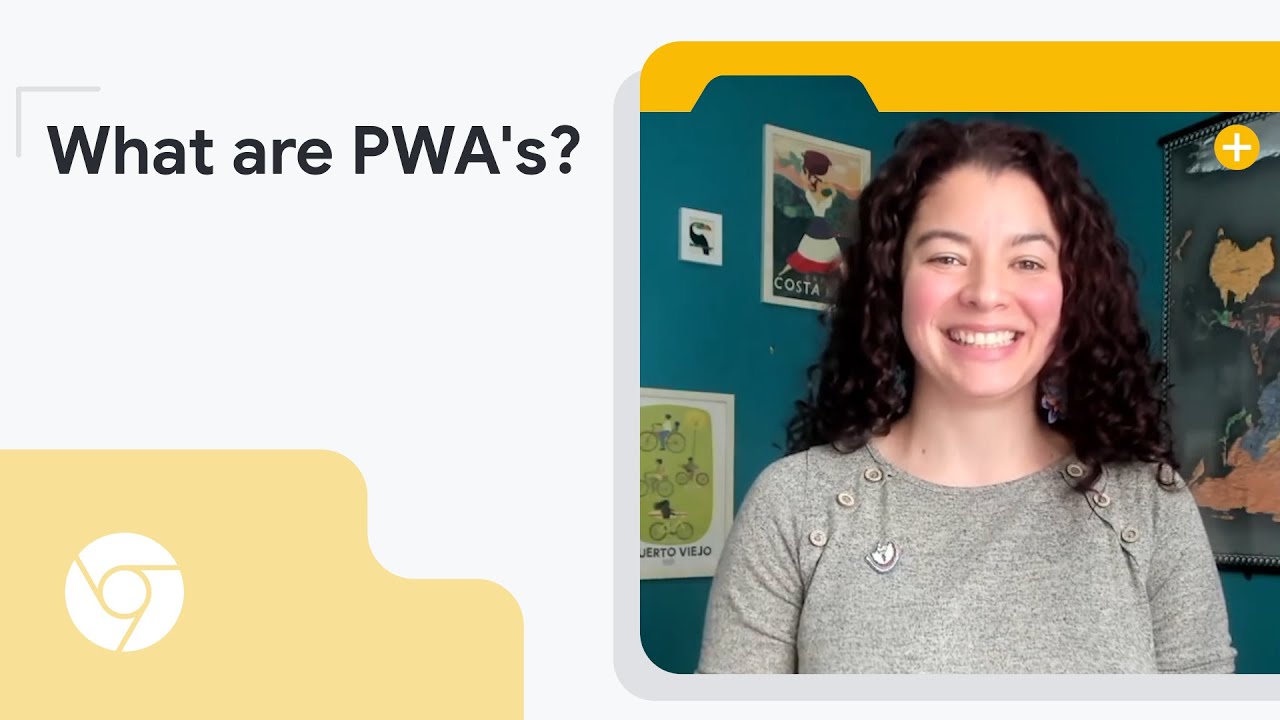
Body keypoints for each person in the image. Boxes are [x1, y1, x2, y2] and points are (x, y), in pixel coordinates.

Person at [697, 118, 1237, 674]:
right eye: (947, 257)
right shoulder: (793, 506)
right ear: (892, 281)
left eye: (1027, 262)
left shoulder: (1151, 507)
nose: (985, 293)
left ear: (1071, 292)